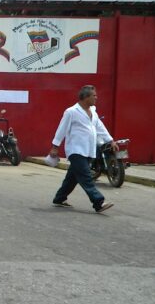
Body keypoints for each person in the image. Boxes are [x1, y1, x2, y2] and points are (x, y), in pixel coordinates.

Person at [50, 85, 116, 213]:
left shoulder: (93, 111)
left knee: (72, 177)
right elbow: (61, 129)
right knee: (86, 177)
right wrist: (55, 147)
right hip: (76, 150)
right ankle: (99, 202)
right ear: (85, 97)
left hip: (88, 150)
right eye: (94, 96)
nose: (96, 98)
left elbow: (99, 127)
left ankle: (59, 198)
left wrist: (110, 140)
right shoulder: (71, 112)